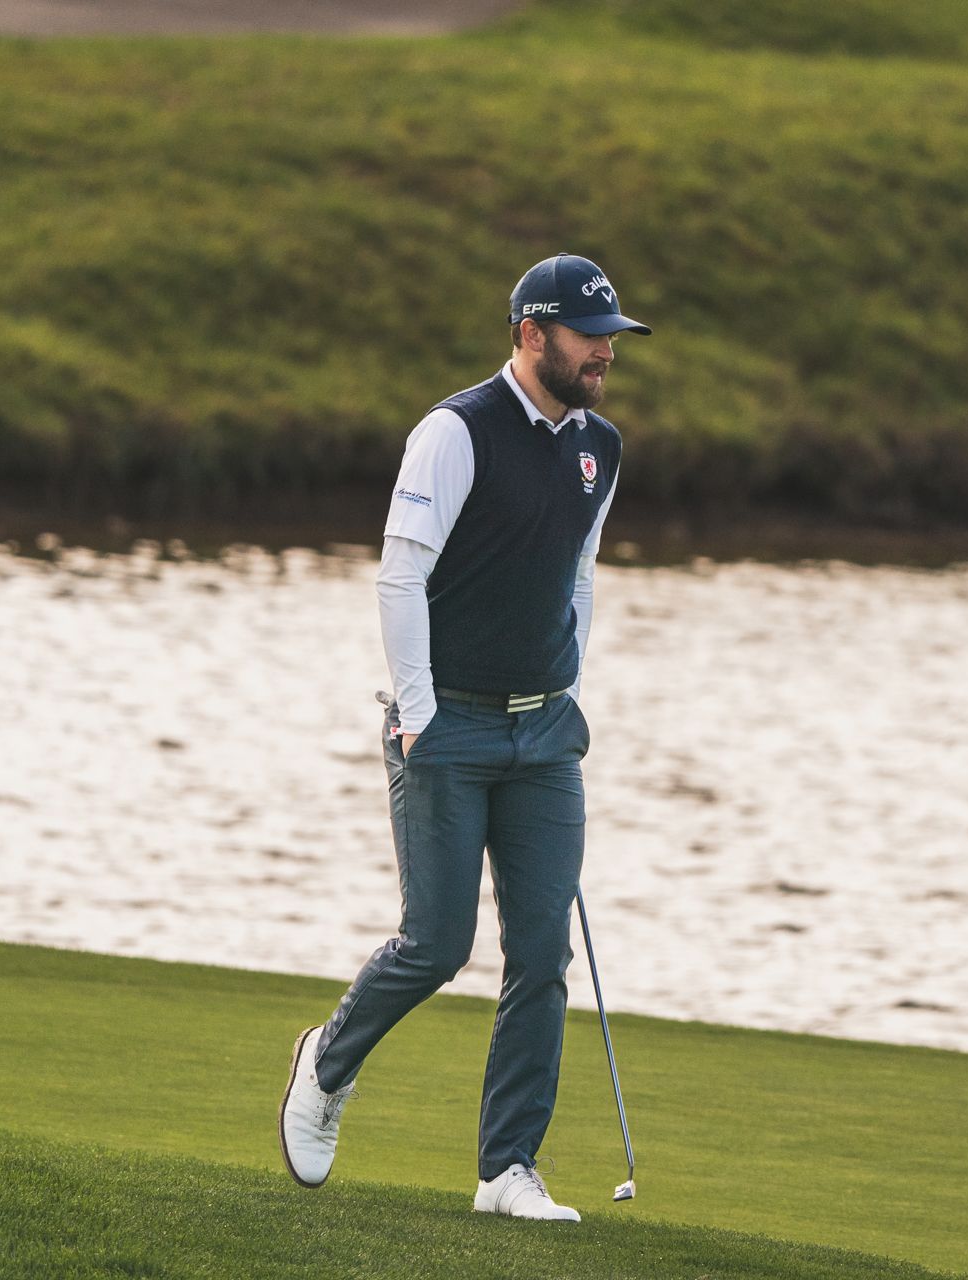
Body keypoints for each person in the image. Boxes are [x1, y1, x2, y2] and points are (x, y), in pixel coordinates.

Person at [278, 253, 649, 1221]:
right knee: (437, 943)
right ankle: (326, 1062)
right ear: (531, 334)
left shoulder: (600, 448)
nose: (605, 353)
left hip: (546, 731)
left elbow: (577, 575)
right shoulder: (456, 431)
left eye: (611, 337)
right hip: (446, 720)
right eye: (588, 336)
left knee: (541, 954)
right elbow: (401, 574)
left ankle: (507, 1169)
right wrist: (417, 712)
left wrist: (569, 688)